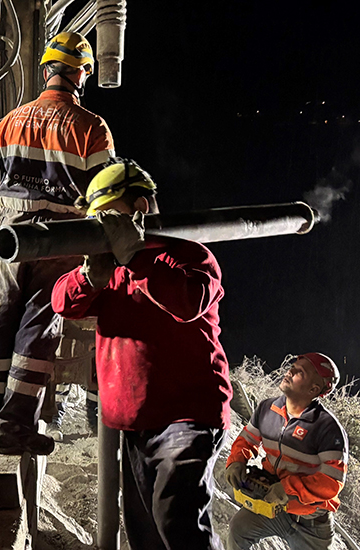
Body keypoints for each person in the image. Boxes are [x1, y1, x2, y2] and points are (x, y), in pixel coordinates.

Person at [52, 159, 231, 549]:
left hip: (186, 417)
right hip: (135, 423)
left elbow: (187, 302)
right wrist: (89, 277)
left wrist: (135, 255)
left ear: (140, 208)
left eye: (107, 218)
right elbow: (63, 303)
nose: (100, 229)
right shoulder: (111, 265)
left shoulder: (188, 255)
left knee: (178, 522)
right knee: (145, 533)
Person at [0, 31, 115, 456]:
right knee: (39, 327)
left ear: (47, 69)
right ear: (82, 74)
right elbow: (105, 190)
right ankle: (14, 426)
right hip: (60, 238)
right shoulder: (92, 127)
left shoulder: (11, 120)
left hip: (10, 233)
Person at [223, 353, 348, 550]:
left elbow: (331, 484)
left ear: (314, 389)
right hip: (272, 507)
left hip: (311, 524)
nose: (289, 372)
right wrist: (236, 461)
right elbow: (246, 440)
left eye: (300, 372)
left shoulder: (327, 429)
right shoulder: (267, 409)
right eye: (293, 366)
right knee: (239, 529)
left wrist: (287, 488)